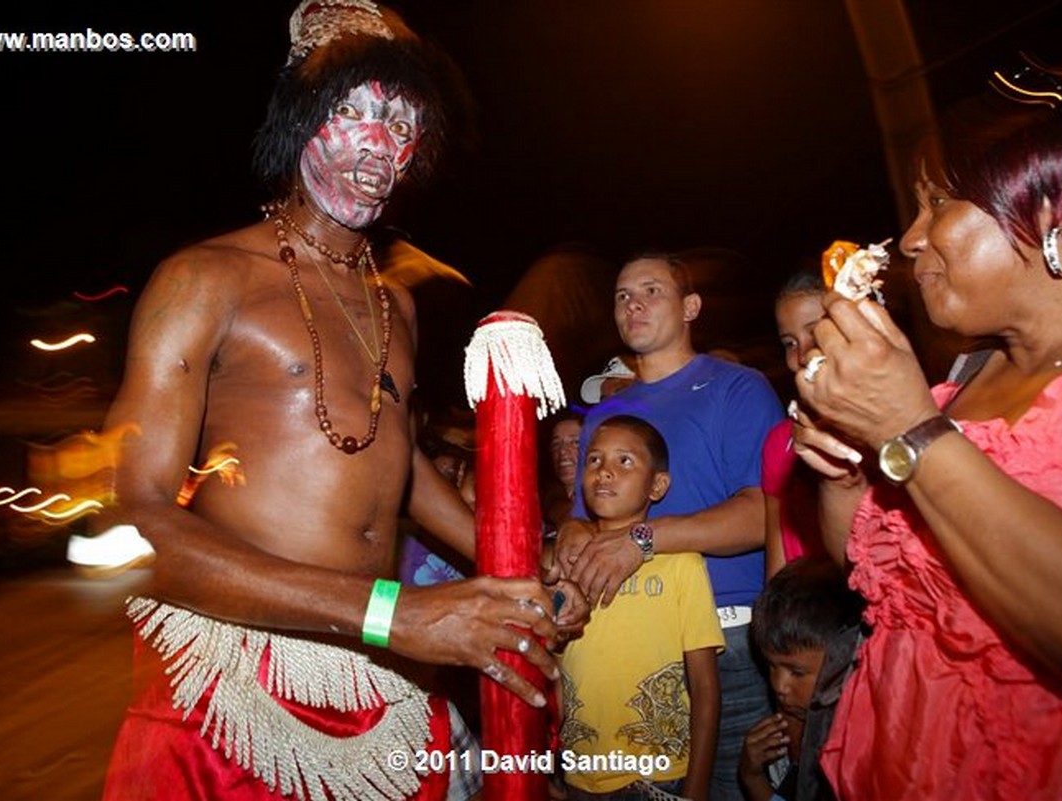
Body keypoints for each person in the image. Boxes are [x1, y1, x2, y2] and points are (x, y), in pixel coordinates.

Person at [98, 4, 573, 799]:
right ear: (298, 119)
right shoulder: (204, 278)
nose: (376, 143)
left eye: (400, 119)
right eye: (349, 110)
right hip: (229, 691)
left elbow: (398, 464)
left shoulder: (399, 305)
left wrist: (527, 561)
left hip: (371, 680)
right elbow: (138, 520)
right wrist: (396, 612)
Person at [790, 63, 1062, 799]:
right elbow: (869, 568)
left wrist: (909, 427)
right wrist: (847, 464)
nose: (912, 240)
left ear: (1058, 201)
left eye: (939, 202)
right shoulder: (970, 374)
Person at [552, 253, 784, 801]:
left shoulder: (738, 388)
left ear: (690, 308)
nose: (633, 304)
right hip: (621, 637)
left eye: (651, 291)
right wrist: (569, 533)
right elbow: (584, 517)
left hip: (727, 639)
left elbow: (761, 514)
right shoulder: (605, 420)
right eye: (622, 295)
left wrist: (642, 540)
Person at [556, 415, 723, 801]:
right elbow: (557, 670)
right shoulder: (567, 561)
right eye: (594, 460)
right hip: (582, 774)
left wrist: (696, 789)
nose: (605, 472)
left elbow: (705, 686)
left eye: (624, 461)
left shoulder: (683, 565)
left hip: (659, 776)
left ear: (658, 485)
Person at [738, 558, 863, 801]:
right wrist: (752, 775)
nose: (779, 686)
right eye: (771, 666)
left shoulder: (850, 752)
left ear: (845, 660)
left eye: (797, 672)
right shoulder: (785, 731)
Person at [762, 266, 828, 579]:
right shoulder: (781, 442)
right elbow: (778, 563)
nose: (801, 355)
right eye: (790, 342)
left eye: (815, 334)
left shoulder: (891, 425)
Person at [542, 408, 585, 534]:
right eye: (556, 444)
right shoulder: (544, 498)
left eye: (575, 442)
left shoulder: (601, 501)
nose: (562, 451)